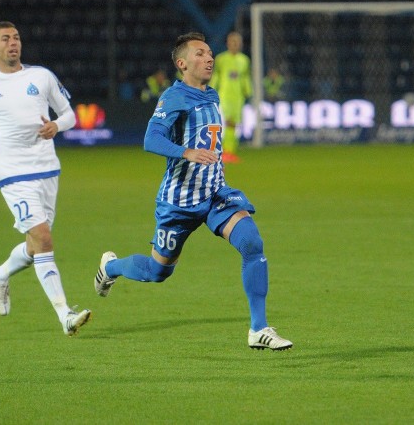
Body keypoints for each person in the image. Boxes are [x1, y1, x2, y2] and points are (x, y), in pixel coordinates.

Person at [93, 31, 292, 351]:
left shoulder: (212, 95)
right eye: (200, 54)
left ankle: (259, 328)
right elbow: (151, 139)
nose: (209, 58)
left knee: (252, 242)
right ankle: (111, 267)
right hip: (179, 202)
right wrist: (186, 153)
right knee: (158, 272)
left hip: (215, 194)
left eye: (210, 53)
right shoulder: (174, 98)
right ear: (183, 63)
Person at [0, 21, 92, 336]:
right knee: (43, 238)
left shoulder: (41, 76)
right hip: (13, 175)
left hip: (48, 169)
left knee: (34, 245)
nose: (13, 43)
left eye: (16, 37)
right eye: (5, 39)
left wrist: (57, 126)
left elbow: (69, 113)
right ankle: (65, 316)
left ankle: (1, 274)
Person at [209, 30, 252, 163]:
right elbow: (216, 75)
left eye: (237, 42)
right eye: (232, 42)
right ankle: (225, 151)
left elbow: (245, 77)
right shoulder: (221, 58)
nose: (235, 44)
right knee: (226, 122)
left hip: (238, 96)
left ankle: (230, 151)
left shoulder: (244, 60)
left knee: (234, 124)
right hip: (224, 95)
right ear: (227, 43)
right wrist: (211, 89)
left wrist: (248, 91)